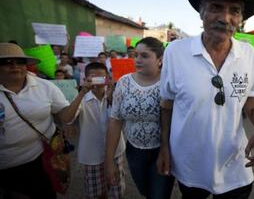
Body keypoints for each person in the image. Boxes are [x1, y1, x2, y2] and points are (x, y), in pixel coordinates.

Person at [157, 0, 254, 199]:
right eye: (216, 7)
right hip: (190, 163)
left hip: (235, 162)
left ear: (240, 19)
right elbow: (167, 104)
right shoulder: (176, 52)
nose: (225, 18)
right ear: (201, 11)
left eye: (234, 11)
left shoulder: (248, 54)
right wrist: (164, 147)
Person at [0, 43, 83, 199]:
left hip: (41, 160)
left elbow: (66, 116)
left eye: (19, 62)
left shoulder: (45, 87)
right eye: (6, 62)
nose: (14, 66)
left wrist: (81, 94)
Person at [106, 37, 174, 199]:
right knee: (145, 191)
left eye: (144, 56)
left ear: (160, 59)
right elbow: (115, 121)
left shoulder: (169, 83)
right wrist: (108, 161)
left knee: (158, 195)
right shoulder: (123, 83)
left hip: (164, 150)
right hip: (134, 152)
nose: (137, 60)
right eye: (136, 55)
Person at [61, 62, 126, 199]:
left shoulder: (116, 96)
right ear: (85, 79)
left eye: (101, 77)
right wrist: (82, 92)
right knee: (95, 193)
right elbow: (67, 118)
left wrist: (114, 94)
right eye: (92, 78)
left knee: (116, 190)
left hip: (115, 151)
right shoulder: (82, 98)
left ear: (107, 78)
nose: (97, 81)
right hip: (92, 155)